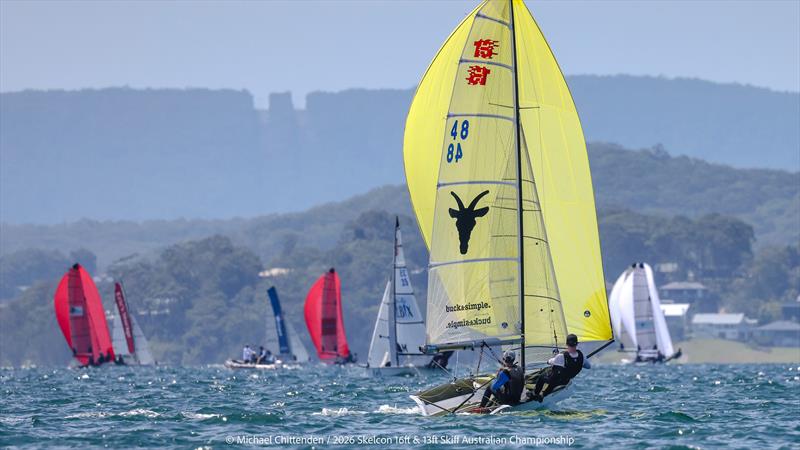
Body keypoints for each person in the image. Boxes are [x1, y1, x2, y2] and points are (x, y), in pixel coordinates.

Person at [531, 334, 591, 402]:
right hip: (565, 381)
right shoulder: (582, 356)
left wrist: (553, 358)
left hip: (556, 381)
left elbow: (550, 361)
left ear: (566, 344)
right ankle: (543, 394)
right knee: (555, 380)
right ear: (576, 344)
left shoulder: (561, 356)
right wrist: (579, 362)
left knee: (542, 377)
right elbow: (588, 366)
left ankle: (535, 394)